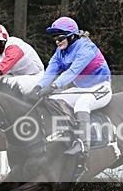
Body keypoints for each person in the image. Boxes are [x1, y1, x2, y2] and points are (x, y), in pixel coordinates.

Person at [28, 16, 112, 160]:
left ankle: (83, 143)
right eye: (55, 38)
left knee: (82, 103)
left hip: (100, 88)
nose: (57, 42)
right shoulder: (59, 52)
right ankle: (62, 135)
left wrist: (54, 85)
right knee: (53, 100)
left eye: (60, 38)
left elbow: (72, 72)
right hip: (81, 89)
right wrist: (37, 88)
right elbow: (50, 72)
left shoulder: (86, 48)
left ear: (72, 36)